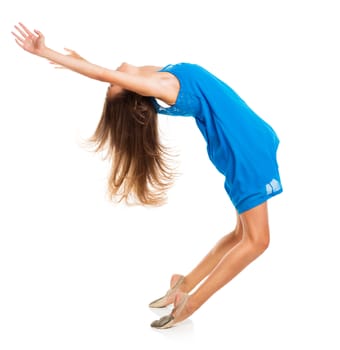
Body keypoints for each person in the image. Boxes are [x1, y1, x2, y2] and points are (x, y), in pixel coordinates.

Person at [12, 22, 283, 329]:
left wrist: (81, 60)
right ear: (135, 91)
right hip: (246, 151)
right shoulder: (166, 88)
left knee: (240, 236)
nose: (113, 76)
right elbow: (105, 74)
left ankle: (183, 285)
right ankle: (189, 305)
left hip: (243, 144)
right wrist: (44, 52)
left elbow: (106, 73)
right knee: (257, 241)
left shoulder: (159, 75)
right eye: (115, 84)